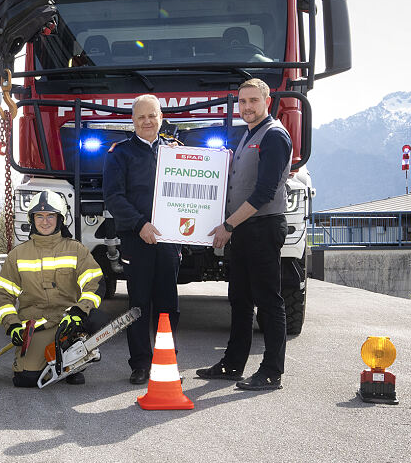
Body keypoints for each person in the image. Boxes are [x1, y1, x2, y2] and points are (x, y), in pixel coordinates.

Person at [197, 78, 293, 391]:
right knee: (239, 299)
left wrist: (227, 225)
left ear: (267, 101)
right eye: (243, 101)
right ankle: (232, 363)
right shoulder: (247, 136)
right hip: (243, 230)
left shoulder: (274, 135)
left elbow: (265, 191)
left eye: (253, 100)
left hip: (262, 228)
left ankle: (271, 371)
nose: (247, 107)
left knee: (268, 301)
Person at [103, 94, 182, 385]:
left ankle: (167, 362)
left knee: (168, 305)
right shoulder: (119, 154)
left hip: (169, 240)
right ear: (132, 121)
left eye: (152, 116)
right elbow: (113, 197)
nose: (147, 121)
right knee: (138, 304)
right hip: (137, 239)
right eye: (141, 117)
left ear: (161, 118)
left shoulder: (175, 153)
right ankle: (139, 364)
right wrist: (140, 225)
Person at [0, 190, 104, 387]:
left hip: (68, 322)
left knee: (96, 318)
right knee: (25, 379)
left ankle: (74, 361)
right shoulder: (18, 254)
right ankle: (58, 361)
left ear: (60, 219)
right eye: (40, 216)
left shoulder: (76, 249)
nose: (45, 222)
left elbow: (95, 282)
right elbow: (3, 296)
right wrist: (12, 325)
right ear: (32, 219)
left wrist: (79, 311)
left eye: (51, 216)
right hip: (36, 325)